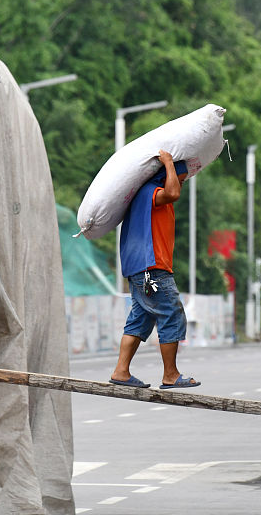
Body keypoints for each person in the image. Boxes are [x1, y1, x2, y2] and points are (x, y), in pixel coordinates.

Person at [109, 150, 200, 390]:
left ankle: (121, 371)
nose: (179, 184)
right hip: (152, 269)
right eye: (178, 179)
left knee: (141, 318)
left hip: (140, 269)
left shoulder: (145, 197)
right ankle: (170, 374)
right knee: (172, 313)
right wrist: (170, 163)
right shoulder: (152, 193)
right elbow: (172, 192)